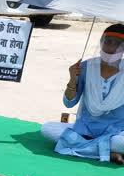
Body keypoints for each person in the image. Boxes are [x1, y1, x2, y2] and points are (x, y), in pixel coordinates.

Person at [40, 24, 124, 164]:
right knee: (47, 129)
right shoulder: (86, 67)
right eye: (108, 41)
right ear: (101, 43)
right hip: (85, 128)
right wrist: (73, 78)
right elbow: (69, 103)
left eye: (117, 43)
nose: (111, 47)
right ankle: (106, 152)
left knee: (120, 142)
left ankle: (85, 147)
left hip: (115, 132)